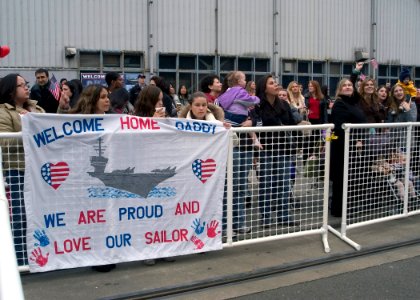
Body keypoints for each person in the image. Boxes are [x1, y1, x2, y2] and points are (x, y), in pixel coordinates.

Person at [0, 73, 45, 266]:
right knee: (20, 216)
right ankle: (20, 260)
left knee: (43, 215)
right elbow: (6, 141)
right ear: (11, 90)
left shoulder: (37, 108)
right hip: (17, 169)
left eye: (26, 84)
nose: (27, 87)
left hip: (40, 169)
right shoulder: (3, 112)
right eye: (21, 85)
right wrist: (27, 124)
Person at [251, 75, 299, 227]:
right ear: (264, 87)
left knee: (283, 184)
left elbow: (292, 121)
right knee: (266, 184)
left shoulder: (284, 104)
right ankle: (265, 217)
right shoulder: (257, 105)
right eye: (271, 83)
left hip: (283, 148)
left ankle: (284, 216)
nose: (276, 84)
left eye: (276, 82)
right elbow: (256, 125)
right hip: (265, 149)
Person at [330, 64, 368, 217]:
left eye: (349, 85)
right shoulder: (340, 103)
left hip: (351, 147)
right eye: (344, 85)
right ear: (339, 89)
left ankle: (345, 208)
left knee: (348, 178)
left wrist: (356, 72)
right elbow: (340, 127)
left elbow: (356, 93)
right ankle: (338, 211)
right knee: (340, 179)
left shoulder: (352, 102)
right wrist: (356, 139)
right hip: (341, 147)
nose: (347, 87)